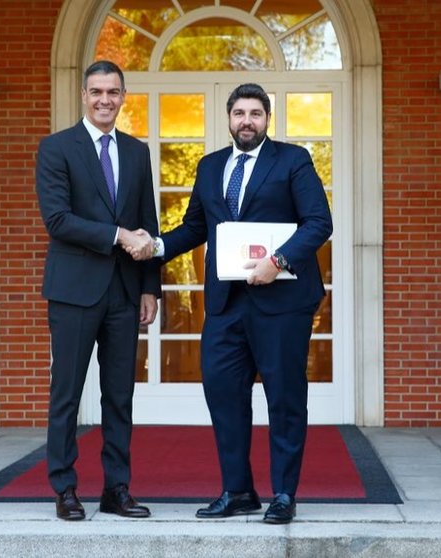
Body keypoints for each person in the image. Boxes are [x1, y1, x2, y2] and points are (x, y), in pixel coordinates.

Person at [140, 83, 332, 524]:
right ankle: (238, 490)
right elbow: (193, 228)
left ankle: (284, 493)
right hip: (226, 305)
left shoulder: (292, 160)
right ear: (228, 118)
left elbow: (319, 221)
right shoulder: (210, 167)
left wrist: (278, 260)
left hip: (281, 302)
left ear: (268, 119)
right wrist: (154, 246)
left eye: (256, 113)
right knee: (224, 396)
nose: (247, 121)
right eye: (240, 113)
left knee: (284, 397)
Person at [34, 60, 159, 521]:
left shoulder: (137, 151)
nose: (104, 99)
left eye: (113, 91)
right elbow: (58, 220)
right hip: (73, 291)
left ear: (123, 96)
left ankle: (116, 488)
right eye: (96, 91)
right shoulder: (56, 148)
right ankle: (65, 488)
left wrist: (151, 288)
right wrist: (119, 237)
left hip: (125, 293)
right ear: (83, 96)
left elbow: (149, 220)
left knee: (119, 396)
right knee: (66, 392)